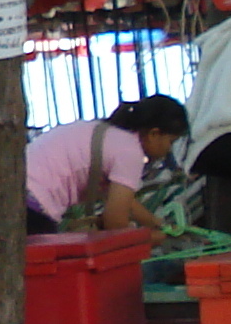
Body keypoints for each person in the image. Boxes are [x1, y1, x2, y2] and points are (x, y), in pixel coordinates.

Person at [25, 97, 189, 235]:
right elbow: (115, 223)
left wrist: (156, 224)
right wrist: (152, 239)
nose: (169, 150)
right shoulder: (130, 152)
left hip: (20, 192)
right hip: (35, 205)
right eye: (171, 142)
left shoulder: (113, 135)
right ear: (154, 134)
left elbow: (125, 201)